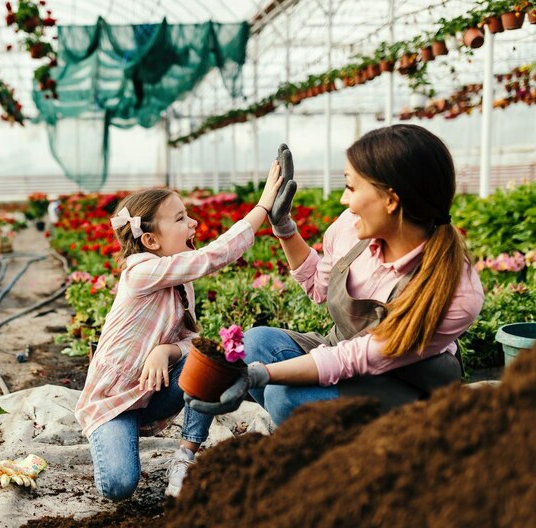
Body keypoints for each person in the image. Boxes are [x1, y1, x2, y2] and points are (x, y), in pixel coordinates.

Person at [188, 125, 485, 429]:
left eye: (351, 187)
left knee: (283, 396)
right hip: (343, 352)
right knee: (256, 344)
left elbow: (356, 357)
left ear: (391, 200)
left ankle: (386, 444)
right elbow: (319, 288)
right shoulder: (350, 228)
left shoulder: (455, 290)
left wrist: (260, 375)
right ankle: (319, 432)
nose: (344, 200)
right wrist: (284, 227)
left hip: (407, 386)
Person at [76, 158, 295, 500]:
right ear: (149, 241)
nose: (192, 222)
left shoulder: (179, 282)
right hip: (115, 400)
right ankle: (114, 436)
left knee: (210, 359)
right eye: (180, 219)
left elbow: (191, 340)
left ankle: (184, 457)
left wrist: (167, 350)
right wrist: (263, 207)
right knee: (118, 486)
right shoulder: (140, 272)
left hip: (153, 391)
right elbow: (215, 256)